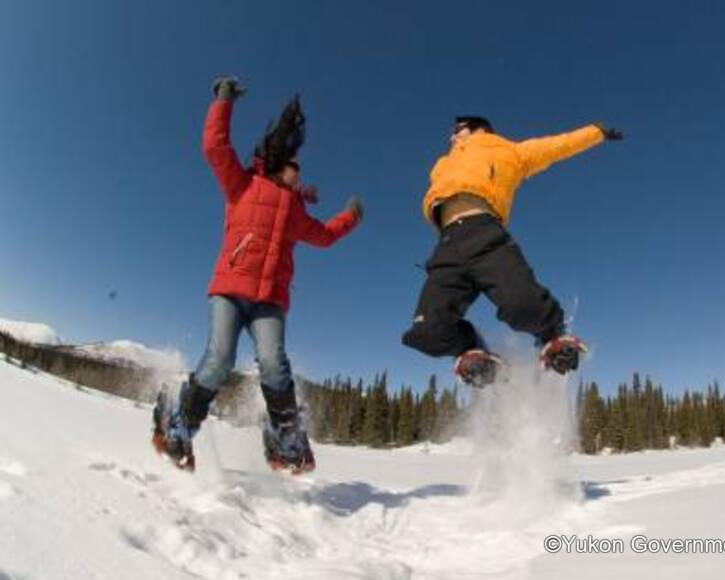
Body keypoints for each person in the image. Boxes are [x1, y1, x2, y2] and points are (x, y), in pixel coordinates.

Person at [152, 77, 363, 473]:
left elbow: (324, 236)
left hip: (270, 301)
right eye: (294, 168)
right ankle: (178, 425)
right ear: (279, 163)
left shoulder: (297, 213)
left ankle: (284, 439)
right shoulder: (244, 185)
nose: (299, 175)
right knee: (219, 359)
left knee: (273, 362)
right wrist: (223, 101)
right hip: (230, 291)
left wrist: (349, 218)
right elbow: (215, 148)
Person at [402, 115, 622, 386]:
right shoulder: (443, 164)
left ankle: (551, 336)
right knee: (426, 332)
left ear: (477, 129)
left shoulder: (510, 152)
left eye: (457, 130)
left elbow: (556, 146)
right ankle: (470, 348)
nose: (452, 136)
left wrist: (595, 132)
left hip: (486, 235)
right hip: (448, 246)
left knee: (524, 307)